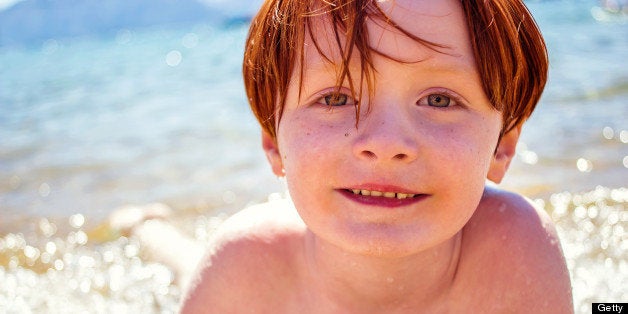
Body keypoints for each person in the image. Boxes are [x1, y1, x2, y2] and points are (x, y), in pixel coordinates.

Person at [180, 0, 573, 312]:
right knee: (180, 259)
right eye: (335, 98)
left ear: (502, 146)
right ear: (273, 143)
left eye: (439, 100)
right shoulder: (243, 269)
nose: (385, 143)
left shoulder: (517, 250)